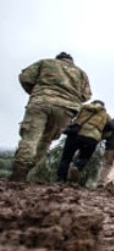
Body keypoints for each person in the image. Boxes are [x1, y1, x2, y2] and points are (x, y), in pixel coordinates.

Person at [11, 52, 92, 181]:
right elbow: (86, 95)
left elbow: (25, 77)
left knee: (31, 137)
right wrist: (70, 99)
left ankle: (19, 171)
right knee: (46, 140)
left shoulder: (45, 62)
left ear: (58, 58)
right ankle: (27, 170)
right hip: (65, 109)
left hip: (41, 102)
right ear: (71, 61)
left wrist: (35, 92)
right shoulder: (81, 73)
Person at [56, 100, 110, 184]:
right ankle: (77, 167)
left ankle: (61, 179)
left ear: (92, 103)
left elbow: (70, 115)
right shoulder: (106, 116)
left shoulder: (84, 108)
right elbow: (110, 130)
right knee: (84, 157)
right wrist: (101, 136)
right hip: (92, 138)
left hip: (76, 134)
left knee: (66, 158)